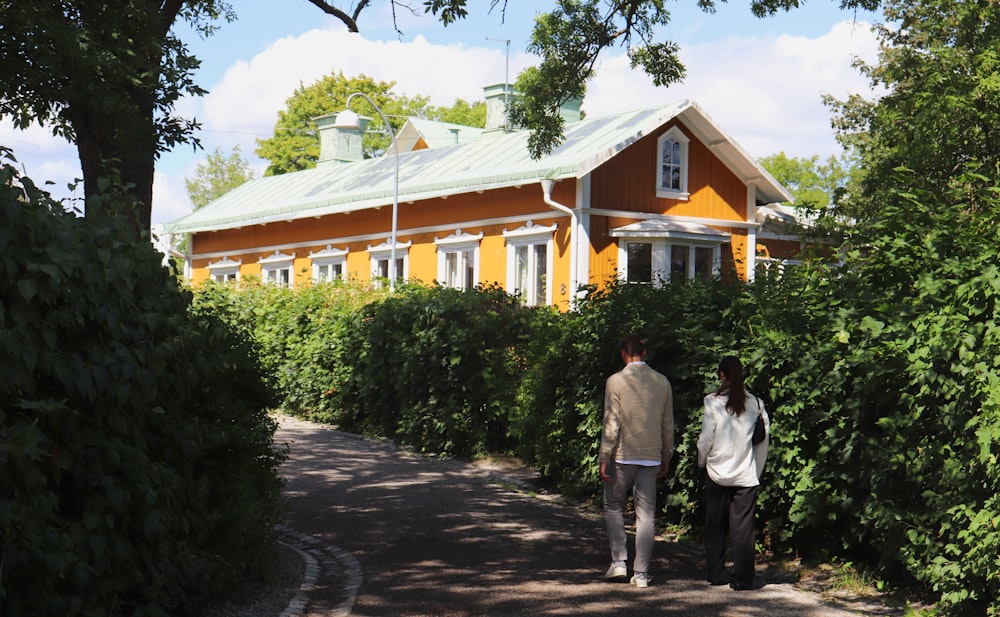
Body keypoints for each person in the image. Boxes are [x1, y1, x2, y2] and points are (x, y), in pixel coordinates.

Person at [598, 333, 674, 589]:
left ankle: (619, 561)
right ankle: (641, 574)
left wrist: (604, 455)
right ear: (644, 352)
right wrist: (666, 455)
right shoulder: (662, 382)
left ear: (622, 353)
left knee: (614, 507)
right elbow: (667, 425)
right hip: (651, 456)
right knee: (646, 516)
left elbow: (612, 421)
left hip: (622, 455)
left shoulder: (615, 381)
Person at [696, 355, 770, 591]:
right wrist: (755, 471)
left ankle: (716, 573)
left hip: (717, 470)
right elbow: (762, 442)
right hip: (745, 473)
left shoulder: (712, 402)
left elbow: (706, 438)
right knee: (743, 529)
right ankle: (743, 578)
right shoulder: (756, 404)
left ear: (721, 375)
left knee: (715, 525)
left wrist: (702, 461)